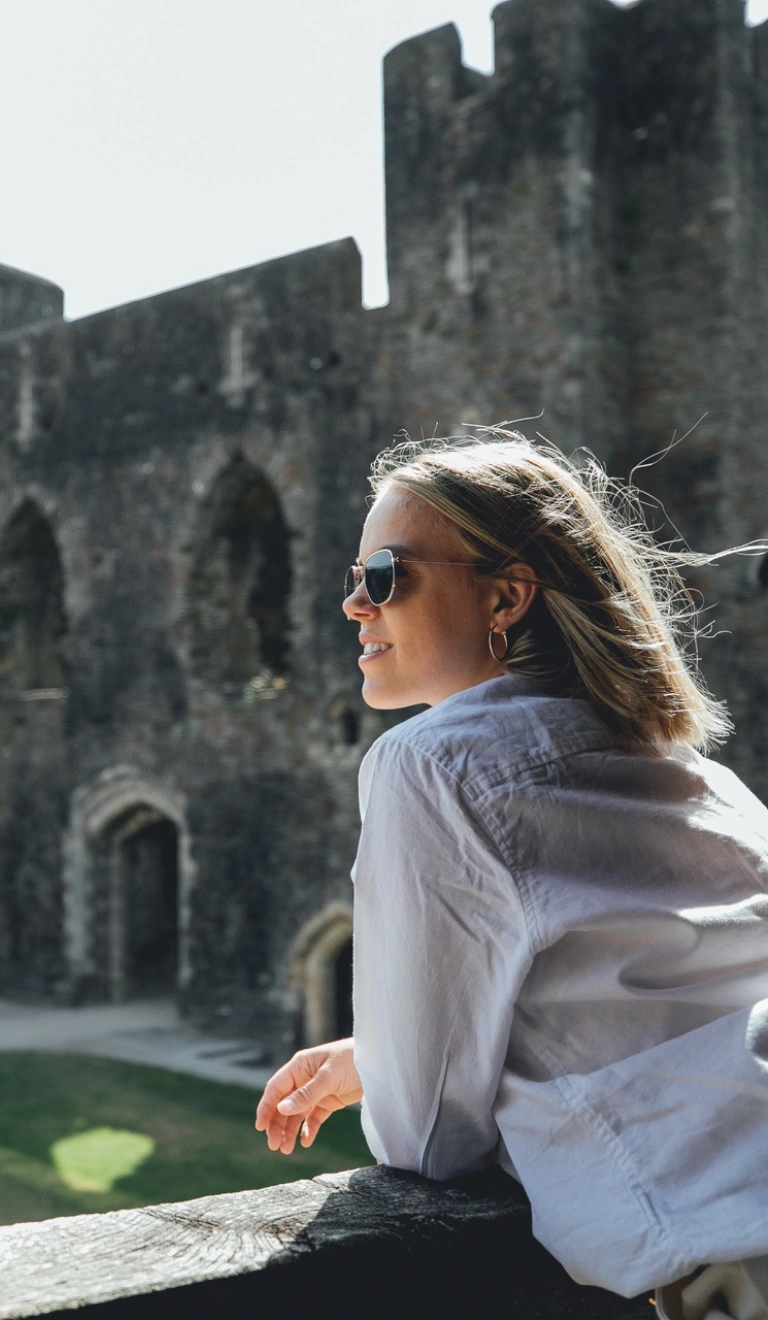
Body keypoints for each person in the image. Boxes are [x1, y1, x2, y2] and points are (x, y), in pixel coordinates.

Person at [255, 433, 768, 1320]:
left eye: (384, 573)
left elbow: (428, 1140)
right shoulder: (692, 769)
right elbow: (639, 1005)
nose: (353, 603)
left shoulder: (432, 766)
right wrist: (380, 1058)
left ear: (507, 595)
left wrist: (401, 1068)